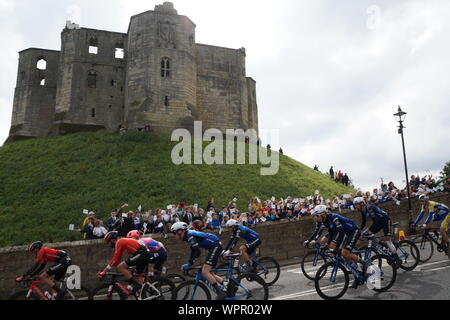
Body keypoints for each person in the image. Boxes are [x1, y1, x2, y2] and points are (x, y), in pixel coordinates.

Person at [303, 205, 371, 289]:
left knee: (345, 252)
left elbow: (340, 232)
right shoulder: (325, 221)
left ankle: (365, 264)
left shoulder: (334, 218)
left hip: (353, 231)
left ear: (323, 214)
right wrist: (327, 245)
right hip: (347, 233)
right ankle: (358, 275)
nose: (315, 218)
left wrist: (335, 243)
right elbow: (331, 233)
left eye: (316, 216)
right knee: (344, 256)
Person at [170, 222, 227, 300]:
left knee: (205, 271)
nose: (174, 236)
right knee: (209, 273)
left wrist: (189, 264)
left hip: (215, 246)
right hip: (213, 247)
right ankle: (226, 284)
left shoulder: (189, 235)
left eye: (174, 233)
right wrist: (189, 263)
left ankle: (220, 293)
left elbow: (197, 251)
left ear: (180, 231)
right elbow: (193, 251)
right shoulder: (188, 236)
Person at [98, 231, 150, 296]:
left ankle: (136, 285)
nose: (108, 245)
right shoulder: (121, 242)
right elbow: (117, 260)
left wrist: (104, 271)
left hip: (142, 253)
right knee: (136, 276)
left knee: (120, 267)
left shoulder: (119, 242)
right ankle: (141, 293)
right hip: (142, 254)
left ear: (112, 240)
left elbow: (115, 259)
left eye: (108, 242)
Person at [353, 197, 401, 266]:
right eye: (355, 205)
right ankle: (382, 244)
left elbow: (376, 220)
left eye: (356, 205)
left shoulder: (369, 207)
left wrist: (368, 230)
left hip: (385, 220)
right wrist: (359, 230)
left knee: (388, 240)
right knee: (366, 235)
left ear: (361, 204)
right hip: (378, 222)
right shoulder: (363, 211)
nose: (355, 207)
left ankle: (396, 257)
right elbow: (363, 222)